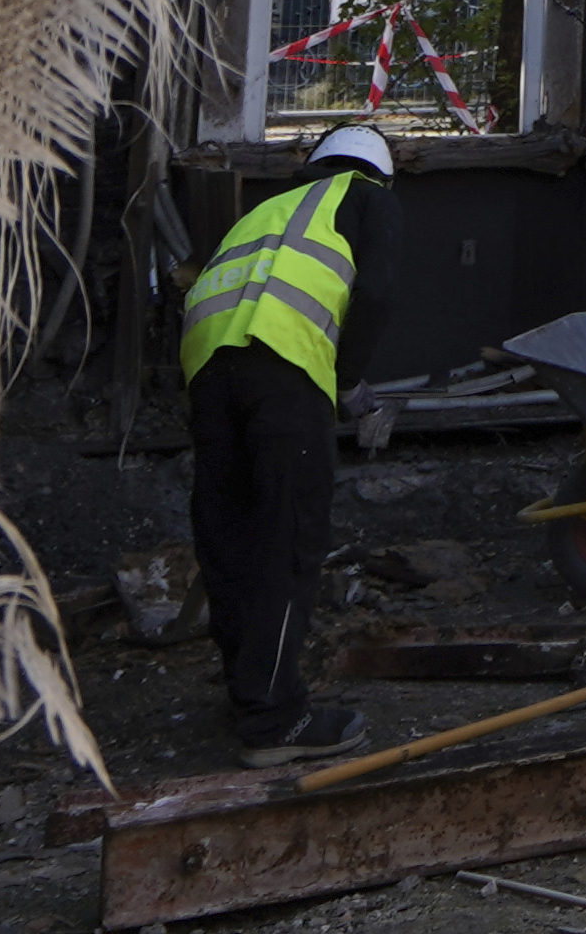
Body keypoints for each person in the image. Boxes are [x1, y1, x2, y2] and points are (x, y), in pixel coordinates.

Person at [179, 119, 403, 762]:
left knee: (231, 536)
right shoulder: (369, 197)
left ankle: (248, 692)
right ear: (380, 171)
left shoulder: (268, 208)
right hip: (285, 371)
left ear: (315, 163)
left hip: (209, 373)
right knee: (287, 535)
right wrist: (349, 381)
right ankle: (276, 722)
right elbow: (379, 290)